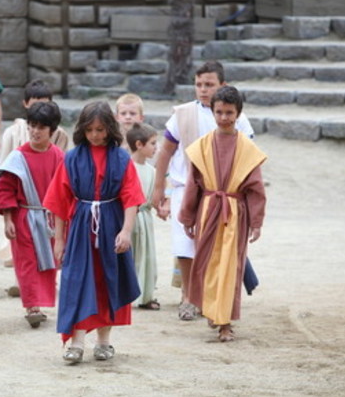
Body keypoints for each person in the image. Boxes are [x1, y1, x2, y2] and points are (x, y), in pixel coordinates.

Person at [151, 60, 255, 322]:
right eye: (199, 84)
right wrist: (158, 188)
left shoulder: (237, 117)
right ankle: (188, 295)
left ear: (223, 85)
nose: (203, 89)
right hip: (184, 186)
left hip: (220, 193)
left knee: (218, 245)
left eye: (209, 84)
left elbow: (248, 158)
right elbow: (166, 150)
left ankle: (214, 297)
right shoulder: (183, 114)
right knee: (185, 243)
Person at [43, 101, 145, 364]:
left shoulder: (121, 158)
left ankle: (104, 342)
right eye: (90, 130)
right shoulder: (72, 158)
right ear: (82, 130)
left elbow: (131, 197)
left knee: (107, 280)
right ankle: (76, 343)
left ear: (109, 128)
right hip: (81, 227)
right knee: (77, 281)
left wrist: (126, 230)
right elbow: (59, 201)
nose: (96, 135)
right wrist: (59, 240)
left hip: (112, 223)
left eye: (100, 129)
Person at [178, 86, 267, 342]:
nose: (224, 117)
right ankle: (211, 308)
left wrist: (257, 221)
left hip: (235, 215)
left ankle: (225, 322)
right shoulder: (201, 147)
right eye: (219, 112)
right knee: (206, 263)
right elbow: (193, 183)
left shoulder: (247, 148)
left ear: (238, 113)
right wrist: (188, 217)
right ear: (212, 111)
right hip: (208, 211)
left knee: (230, 266)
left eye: (229, 112)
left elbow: (256, 188)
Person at [0, 102, 64, 328]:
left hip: (50, 220)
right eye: (32, 125)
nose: (35, 131)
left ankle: (41, 302)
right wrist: (8, 219)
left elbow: (65, 190)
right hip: (24, 218)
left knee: (48, 262)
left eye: (41, 127)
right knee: (27, 263)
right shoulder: (17, 158)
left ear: (52, 131)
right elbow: (5, 190)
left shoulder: (59, 157)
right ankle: (32, 306)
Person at [126, 123, 160, 310]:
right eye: (153, 143)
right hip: (129, 217)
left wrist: (162, 208)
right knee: (130, 256)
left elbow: (155, 195)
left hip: (145, 218)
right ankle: (126, 295)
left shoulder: (152, 171)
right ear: (139, 144)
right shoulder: (126, 167)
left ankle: (146, 295)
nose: (156, 147)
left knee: (147, 256)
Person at [0, 79, 70, 162]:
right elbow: (2, 165)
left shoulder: (59, 135)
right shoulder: (12, 133)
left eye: (44, 105)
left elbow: (61, 166)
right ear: (25, 104)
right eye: (34, 105)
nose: (39, 109)